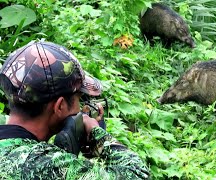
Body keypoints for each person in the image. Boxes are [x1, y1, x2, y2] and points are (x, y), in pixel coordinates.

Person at [0, 41, 150, 179]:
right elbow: (137, 174)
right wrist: (97, 133)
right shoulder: (42, 164)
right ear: (60, 106)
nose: (80, 108)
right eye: (79, 98)